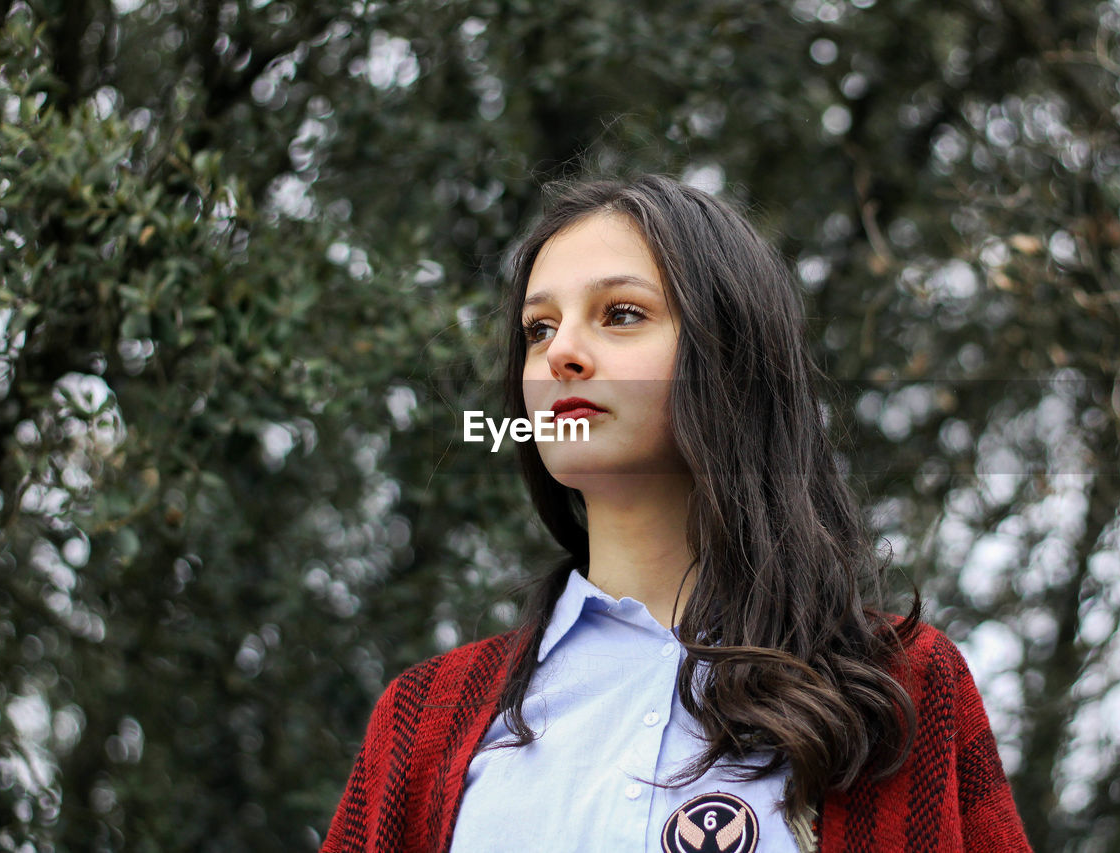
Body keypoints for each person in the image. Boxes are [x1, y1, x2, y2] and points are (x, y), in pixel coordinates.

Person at [320, 174, 1032, 852]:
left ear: (730, 359)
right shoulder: (422, 717)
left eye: (621, 314)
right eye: (538, 328)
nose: (560, 351)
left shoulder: (900, 688)